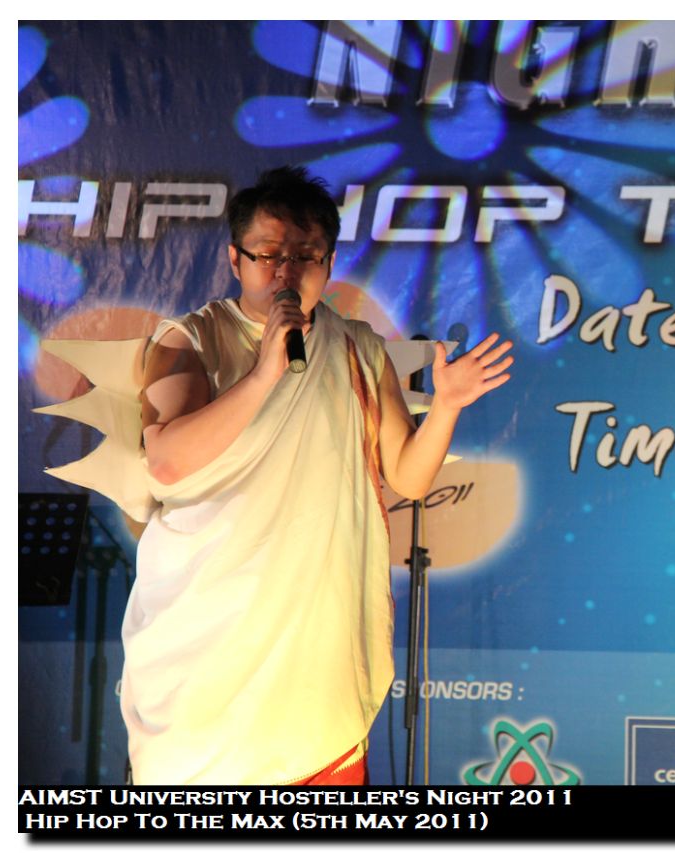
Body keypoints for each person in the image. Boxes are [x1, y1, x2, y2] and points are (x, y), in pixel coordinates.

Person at [123, 166, 513, 784]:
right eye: (269, 255)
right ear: (236, 259)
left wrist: (446, 407)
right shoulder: (190, 340)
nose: (286, 272)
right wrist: (264, 374)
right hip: (209, 646)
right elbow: (167, 460)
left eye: (305, 256)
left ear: (329, 264)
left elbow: (408, 477)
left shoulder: (358, 348)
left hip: (316, 649)